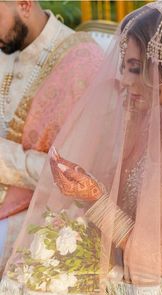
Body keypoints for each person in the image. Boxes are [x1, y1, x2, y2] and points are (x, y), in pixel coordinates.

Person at [1, 0, 162, 294]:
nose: (123, 79)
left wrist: (95, 199)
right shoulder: (151, 130)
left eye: (135, 68)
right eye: (124, 67)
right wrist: (83, 193)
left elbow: (159, 263)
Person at [0, 0, 103, 275]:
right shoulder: (6, 44)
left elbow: (80, 172)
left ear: (24, 4)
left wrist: (6, 161)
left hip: (46, 208)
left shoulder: (83, 62)